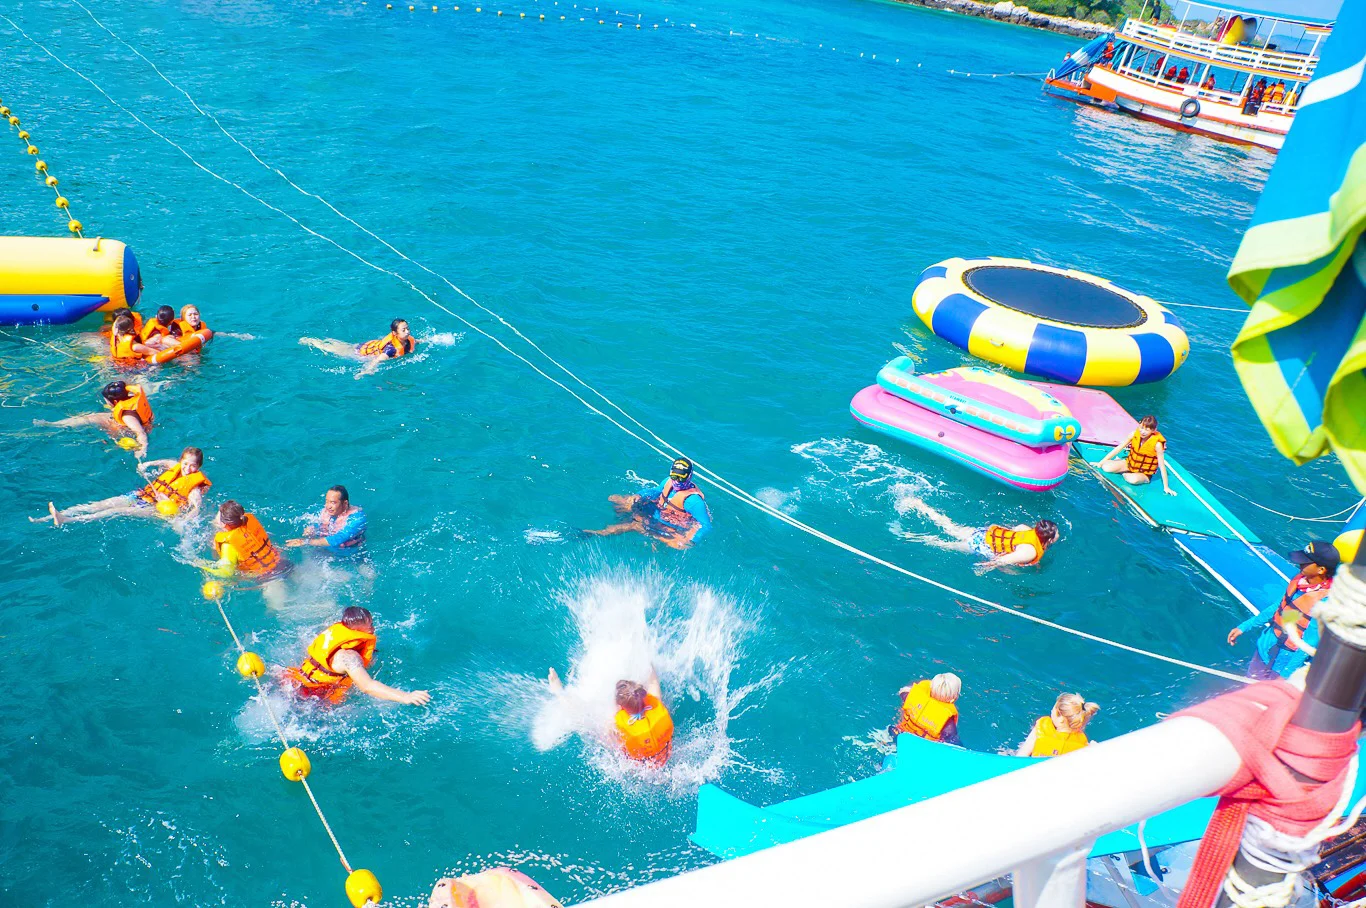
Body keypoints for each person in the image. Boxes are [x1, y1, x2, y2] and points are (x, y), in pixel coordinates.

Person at [1227, 542, 1339, 680]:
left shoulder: (1325, 602)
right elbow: (1280, 607)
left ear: (1321, 570)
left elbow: (1308, 643)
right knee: (1249, 683)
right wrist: (1245, 626)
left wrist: (1285, 676)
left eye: (1306, 562)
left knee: (1266, 693)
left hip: (1282, 664)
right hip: (1266, 647)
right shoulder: (1301, 582)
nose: (1300, 564)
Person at [285, 606, 431, 705]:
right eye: (370, 626)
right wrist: (406, 697)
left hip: (293, 679)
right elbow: (367, 687)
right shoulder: (349, 657)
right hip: (313, 697)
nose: (373, 628)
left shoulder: (334, 633)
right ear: (357, 631)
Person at [34, 446, 210, 526]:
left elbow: (196, 508)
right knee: (101, 504)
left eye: (193, 466)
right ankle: (48, 517)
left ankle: (68, 520)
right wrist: (147, 464)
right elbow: (166, 462)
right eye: (185, 463)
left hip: (155, 508)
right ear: (181, 461)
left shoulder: (194, 488)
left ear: (199, 467)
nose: (187, 468)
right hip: (142, 495)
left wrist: (181, 521)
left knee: (116, 511)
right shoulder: (175, 466)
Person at [548, 664, 674, 764]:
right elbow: (653, 681)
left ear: (620, 706)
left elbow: (579, 716)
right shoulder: (656, 703)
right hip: (665, 756)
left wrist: (558, 691)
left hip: (640, 767)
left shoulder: (616, 726)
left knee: (592, 730)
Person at [585, 458, 713, 549]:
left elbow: (706, 525)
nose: (677, 481)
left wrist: (692, 540)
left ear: (689, 476)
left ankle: (598, 534)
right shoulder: (668, 481)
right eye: (674, 476)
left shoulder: (694, 501)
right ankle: (623, 519)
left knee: (635, 525)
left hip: (668, 525)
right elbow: (656, 491)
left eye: (681, 478)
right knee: (616, 499)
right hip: (657, 511)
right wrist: (640, 495)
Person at [903, 498, 1058, 570]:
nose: (1058, 534)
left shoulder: (1026, 528)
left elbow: (1012, 534)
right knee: (944, 544)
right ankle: (911, 537)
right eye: (1056, 533)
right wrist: (984, 567)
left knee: (950, 527)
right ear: (1049, 539)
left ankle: (920, 506)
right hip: (981, 546)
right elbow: (1002, 560)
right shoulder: (1029, 552)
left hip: (983, 533)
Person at [34, 380, 153, 458]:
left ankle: (54, 425)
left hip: (127, 431)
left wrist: (142, 449)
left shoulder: (127, 416)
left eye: (107, 401)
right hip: (132, 423)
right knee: (93, 417)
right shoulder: (130, 397)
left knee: (93, 418)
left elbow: (140, 433)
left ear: (115, 401)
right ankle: (55, 424)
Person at [299, 318, 420, 377]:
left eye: (407, 328)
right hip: (360, 353)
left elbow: (415, 341)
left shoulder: (408, 339)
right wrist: (366, 371)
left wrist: (429, 340)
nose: (407, 331)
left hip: (367, 345)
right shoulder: (391, 349)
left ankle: (325, 340)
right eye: (403, 330)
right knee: (336, 350)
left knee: (346, 346)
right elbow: (376, 360)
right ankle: (311, 341)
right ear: (394, 333)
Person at [1098, 415, 1175, 495]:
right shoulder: (1133, 434)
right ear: (1139, 424)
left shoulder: (1157, 445)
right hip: (1129, 465)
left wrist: (1166, 487)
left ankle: (1126, 473)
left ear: (1153, 430)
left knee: (1132, 480)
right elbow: (1118, 448)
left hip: (1144, 473)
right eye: (1141, 428)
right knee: (1106, 467)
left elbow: (1162, 466)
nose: (1142, 432)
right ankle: (1122, 466)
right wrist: (1100, 463)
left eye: (1147, 430)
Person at [889, 673, 962, 746]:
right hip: (921, 746)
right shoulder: (948, 722)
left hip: (900, 733)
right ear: (953, 698)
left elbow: (902, 691)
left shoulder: (912, 696)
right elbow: (953, 743)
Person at [1016, 693, 1099, 757]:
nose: (1051, 711)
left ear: (1060, 718)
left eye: (1053, 709)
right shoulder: (1081, 742)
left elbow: (1022, 755)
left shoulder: (1042, 727)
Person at [285, 485, 367, 550]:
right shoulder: (327, 512)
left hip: (350, 554)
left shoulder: (357, 518)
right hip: (327, 550)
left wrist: (306, 542)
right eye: (327, 501)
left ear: (345, 503)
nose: (328, 506)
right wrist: (312, 529)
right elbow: (320, 524)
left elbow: (339, 538)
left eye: (333, 502)